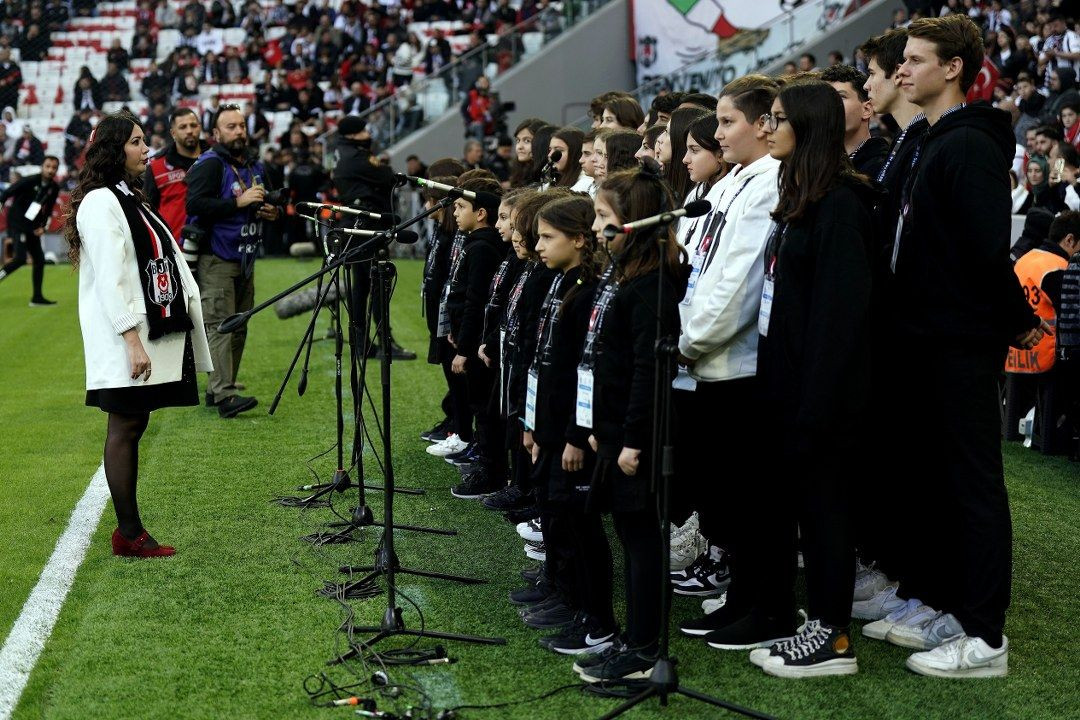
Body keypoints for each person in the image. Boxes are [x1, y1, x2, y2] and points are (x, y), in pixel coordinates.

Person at [886, 15, 1045, 678]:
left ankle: (985, 637)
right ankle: (951, 605)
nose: (902, 70)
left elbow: (984, 253)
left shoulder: (970, 146)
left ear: (953, 67)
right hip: (924, 338)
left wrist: (1017, 322)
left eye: (915, 60)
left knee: (973, 484)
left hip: (957, 341)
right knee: (937, 481)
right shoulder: (928, 140)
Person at [750, 79, 878, 679]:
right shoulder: (803, 196)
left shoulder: (843, 206)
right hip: (788, 388)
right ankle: (818, 623)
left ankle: (834, 638)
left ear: (808, 126)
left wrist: (814, 407)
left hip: (822, 399)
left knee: (828, 514)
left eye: (778, 118)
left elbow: (839, 322)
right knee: (808, 509)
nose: (768, 127)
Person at [64, 111, 211, 557]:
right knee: (125, 424)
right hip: (121, 335)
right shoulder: (100, 202)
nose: (146, 148)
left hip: (137, 329)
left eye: (144, 140)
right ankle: (128, 532)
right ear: (113, 149)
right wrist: (130, 338)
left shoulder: (125, 195)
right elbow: (111, 277)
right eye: (136, 141)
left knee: (134, 421)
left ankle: (128, 530)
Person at [673, 76, 784, 644]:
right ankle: (740, 597)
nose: (717, 134)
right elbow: (699, 265)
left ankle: (763, 608)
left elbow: (739, 282)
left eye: (725, 122)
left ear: (764, 124)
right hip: (706, 359)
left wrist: (686, 341)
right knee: (726, 496)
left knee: (748, 499)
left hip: (736, 363)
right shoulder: (734, 180)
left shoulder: (769, 182)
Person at [572, 161, 687, 683]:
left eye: (602, 216)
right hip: (613, 428)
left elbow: (648, 371)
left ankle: (644, 649)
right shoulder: (624, 277)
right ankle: (632, 637)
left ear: (633, 221)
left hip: (635, 437)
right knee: (628, 534)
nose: (596, 227)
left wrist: (634, 440)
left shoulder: (651, 287)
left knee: (642, 540)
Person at [185, 103, 280, 418]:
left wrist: (270, 211)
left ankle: (219, 387)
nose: (239, 131)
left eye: (241, 125)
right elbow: (195, 204)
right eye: (231, 127)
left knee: (239, 326)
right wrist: (237, 201)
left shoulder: (254, 165)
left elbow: (264, 199)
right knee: (221, 325)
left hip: (246, 257)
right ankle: (225, 395)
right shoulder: (210, 164)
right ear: (215, 133)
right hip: (217, 258)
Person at [331, 114, 416, 360]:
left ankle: (362, 344)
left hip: (357, 223)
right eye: (364, 132)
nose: (368, 136)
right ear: (353, 134)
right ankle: (384, 343)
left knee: (362, 286)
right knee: (378, 283)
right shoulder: (356, 157)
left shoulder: (341, 153)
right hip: (368, 224)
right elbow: (386, 175)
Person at [445, 175, 506, 493]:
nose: (455, 212)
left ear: (481, 212)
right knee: (478, 404)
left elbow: (476, 301)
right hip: (469, 337)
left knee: (483, 407)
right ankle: (487, 462)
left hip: (478, 343)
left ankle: (492, 471)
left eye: (460, 206)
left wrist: (465, 348)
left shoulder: (483, 247)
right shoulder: (474, 243)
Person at [0, 156, 61, 305]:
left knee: (39, 259)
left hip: (32, 225)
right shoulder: (29, 180)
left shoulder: (54, 188)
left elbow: (47, 210)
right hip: (17, 223)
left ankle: (37, 298)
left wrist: (42, 226)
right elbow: (8, 192)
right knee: (20, 258)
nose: (50, 170)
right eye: (48, 166)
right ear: (42, 167)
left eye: (54, 167)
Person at [145, 108, 205, 248]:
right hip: (174, 250)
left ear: (199, 128)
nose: (189, 131)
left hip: (212, 251)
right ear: (173, 133)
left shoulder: (215, 161)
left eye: (193, 125)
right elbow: (148, 212)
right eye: (183, 127)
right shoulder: (156, 167)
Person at [821, 64, 890, 177]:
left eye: (840, 97)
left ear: (867, 109)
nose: (829, 105)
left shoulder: (884, 167)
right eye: (824, 100)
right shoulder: (821, 173)